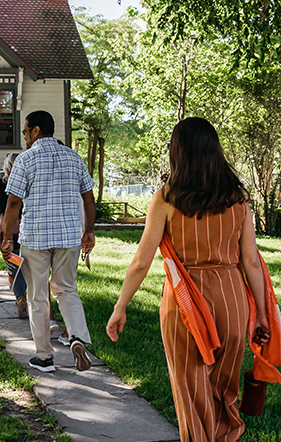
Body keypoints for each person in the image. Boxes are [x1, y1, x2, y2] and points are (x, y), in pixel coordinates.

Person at [106, 117, 271, 442]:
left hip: (185, 304)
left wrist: (120, 307)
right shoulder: (238, 199)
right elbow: (250, 260)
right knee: (224, 392)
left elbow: (141, 262)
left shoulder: (167, 198)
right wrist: (261, 314)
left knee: (191, 392)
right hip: (231, 300)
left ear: (178, 152)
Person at [3, 110, 96, 373]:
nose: (24, 136)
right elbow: (88, 197)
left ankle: (44, 357)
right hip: (69, 237)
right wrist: (88, 230)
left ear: (35, 131)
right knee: (67, 289)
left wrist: (9, 238)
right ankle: (77, 337)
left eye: (25, 131)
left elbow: (13, 202)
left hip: (36, 237)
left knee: (38, 296)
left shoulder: (25, 160)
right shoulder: (73, 157)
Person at [0, 153, 28, 318]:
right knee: (27, 264)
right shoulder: (27, 183)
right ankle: (27, 296)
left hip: (6, 228)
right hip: (26, 225)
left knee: (13, 264)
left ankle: (20, 298)